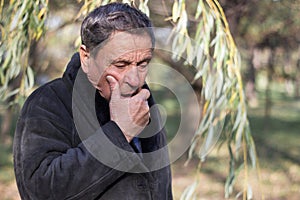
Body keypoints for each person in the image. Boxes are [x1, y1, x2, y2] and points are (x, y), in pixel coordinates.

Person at [13, 2, 173, 200]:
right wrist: (119, 132)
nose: (135, 79)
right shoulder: (47, 103)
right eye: (121, 64)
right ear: (86, 58)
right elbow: (40, 191)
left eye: (143, 63)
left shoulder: (146, 103)